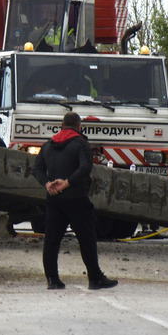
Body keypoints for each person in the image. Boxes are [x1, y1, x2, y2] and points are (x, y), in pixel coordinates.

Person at [32, 112, 118, 290]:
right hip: (76, 197)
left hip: (54, 198)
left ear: (61, 125)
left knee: (52, 240)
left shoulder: (48, 145)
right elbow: (85, 167)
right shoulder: (81, 143)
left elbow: (37, 169)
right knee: (86, 238)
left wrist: (48, 183)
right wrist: (67, 183)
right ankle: (95, 278)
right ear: (79, 126)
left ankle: (52, 279)